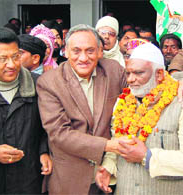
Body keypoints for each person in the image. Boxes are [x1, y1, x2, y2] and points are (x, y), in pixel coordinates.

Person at [36, 24, 128, 195]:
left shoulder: (114, 71)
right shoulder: (49, 82)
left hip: (110, 174)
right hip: (70, 180)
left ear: (101, 51)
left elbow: (141, 92)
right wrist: (109, 145)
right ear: (66, 52)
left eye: (90, 51)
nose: (83, 58)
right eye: (76, 51)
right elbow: (59, 134)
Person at [95, 43, 183, 195]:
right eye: (128, 73)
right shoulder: (122, 102)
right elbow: (117, 141)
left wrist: (147, 157)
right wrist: (108, 167)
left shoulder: (179, 103)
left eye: (138, 73)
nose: (130, 79)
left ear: (160, 74)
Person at [0, 28, 52, 194]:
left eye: (16, 56)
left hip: (29, 180)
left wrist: (44, 151)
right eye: (2, 59)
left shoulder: (39, 85)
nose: (12, 64)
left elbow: (48, 128)